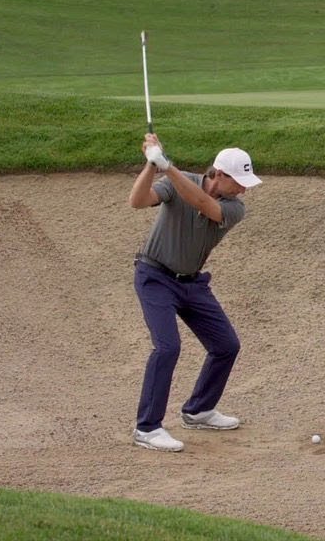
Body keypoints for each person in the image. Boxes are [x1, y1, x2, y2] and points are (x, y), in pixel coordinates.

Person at [127, 132, 262, 452]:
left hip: (191, 283)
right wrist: (151, 165)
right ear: (218, 174)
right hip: (154, 277)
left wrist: (166, 165)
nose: (244, 188)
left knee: (226, 345)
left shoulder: (234, 208)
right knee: (167, 348)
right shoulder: (179, 181)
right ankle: (147, 428)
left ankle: (199, 409)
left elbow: (203, 203)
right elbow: (137, 201)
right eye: (239, 181)